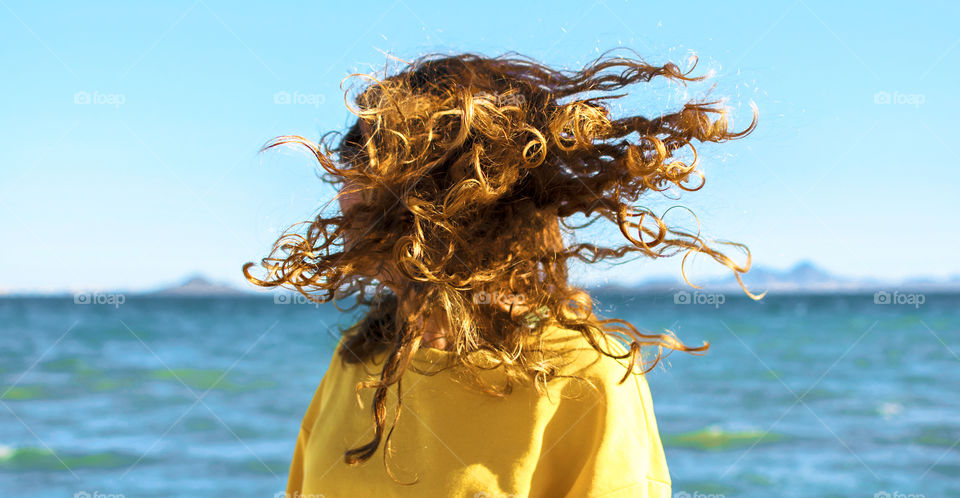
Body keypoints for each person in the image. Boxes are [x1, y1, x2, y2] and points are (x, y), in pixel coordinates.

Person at [244, 49, 758, 497]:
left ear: (450, 202)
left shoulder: (582, 377)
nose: (343, 194)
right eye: (349, 163)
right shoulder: (363, 356)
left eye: (367, 167)